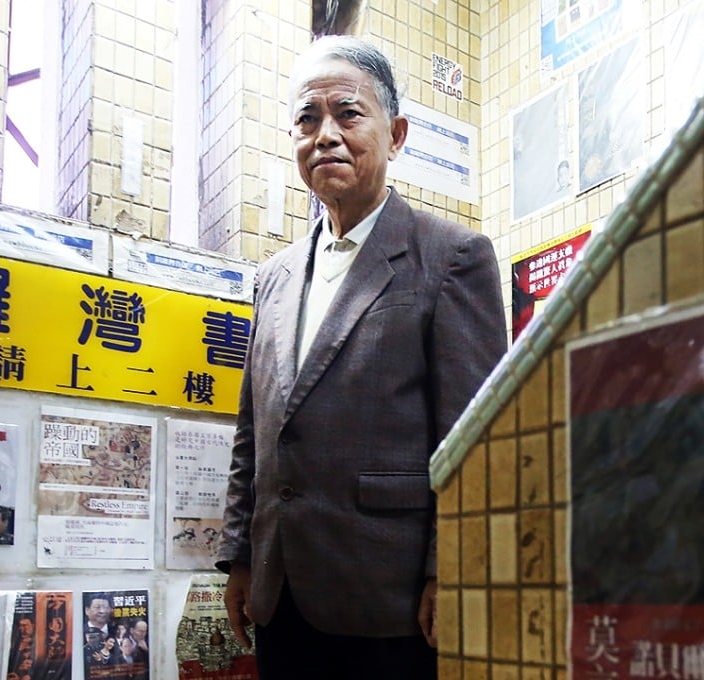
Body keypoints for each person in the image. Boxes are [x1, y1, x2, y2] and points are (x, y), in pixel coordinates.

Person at [217, 35, 507, 680]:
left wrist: (453, 572)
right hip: (279, 589)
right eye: (307, 119)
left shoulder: (452, 256)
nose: (325, 135)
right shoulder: (274, 276)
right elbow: (254, 434)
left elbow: (477, 439)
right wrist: (239, 556)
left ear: (396, 133)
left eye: (348, 114)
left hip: (394, 597)